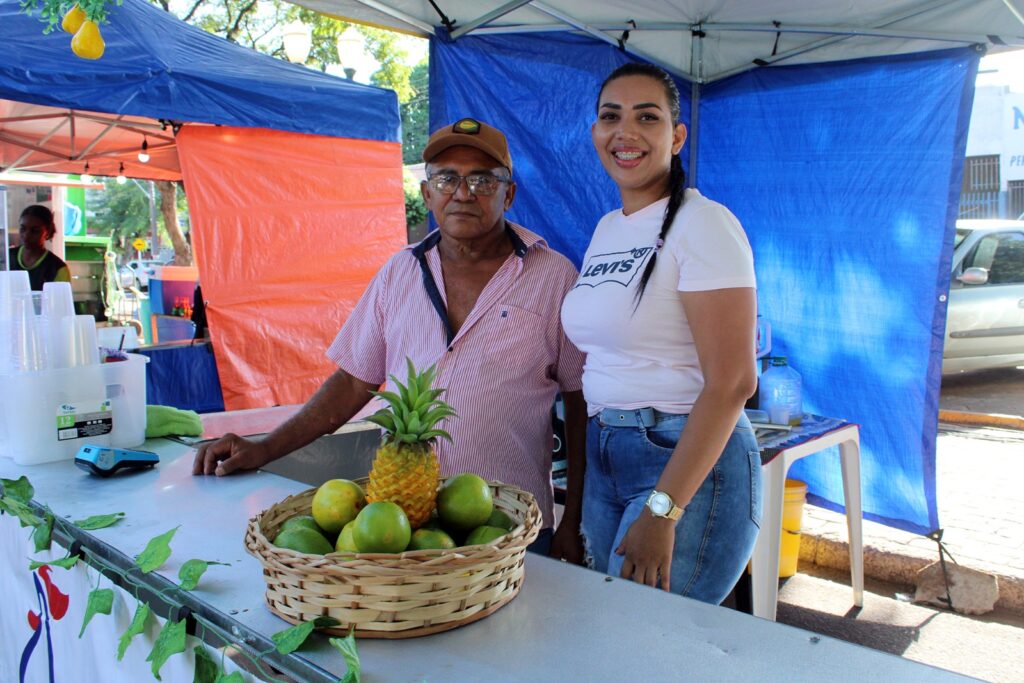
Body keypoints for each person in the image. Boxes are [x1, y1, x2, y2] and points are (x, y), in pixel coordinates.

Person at [194, 118, 587, 561]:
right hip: (402, 529)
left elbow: (580, 403)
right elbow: (350, 384)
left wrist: (573, 520)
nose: (463, 193)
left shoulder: (554, 277)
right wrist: (264, 447)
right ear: (426, 194)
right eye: (446, 178)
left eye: (482, 180)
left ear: (508, 193)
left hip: (511, 526)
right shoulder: (397, 274)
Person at [560, 63, 762, 604]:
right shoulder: (608, 228)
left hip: (680, 461)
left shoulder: (703, 223)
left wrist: (664, 509)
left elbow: (734, 382)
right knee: (616, 637)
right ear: (595, 133)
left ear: (675, 137)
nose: (624, 133)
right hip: (607, 453)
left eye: (646, 118)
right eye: (610, 117)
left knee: (649, 646)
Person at [7, 205, 71, 290]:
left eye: (35, 231)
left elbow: (59, 302)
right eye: (23, 229)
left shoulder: (57, 269)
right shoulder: (6, 258)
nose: (26, 235)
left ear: (48, 232)